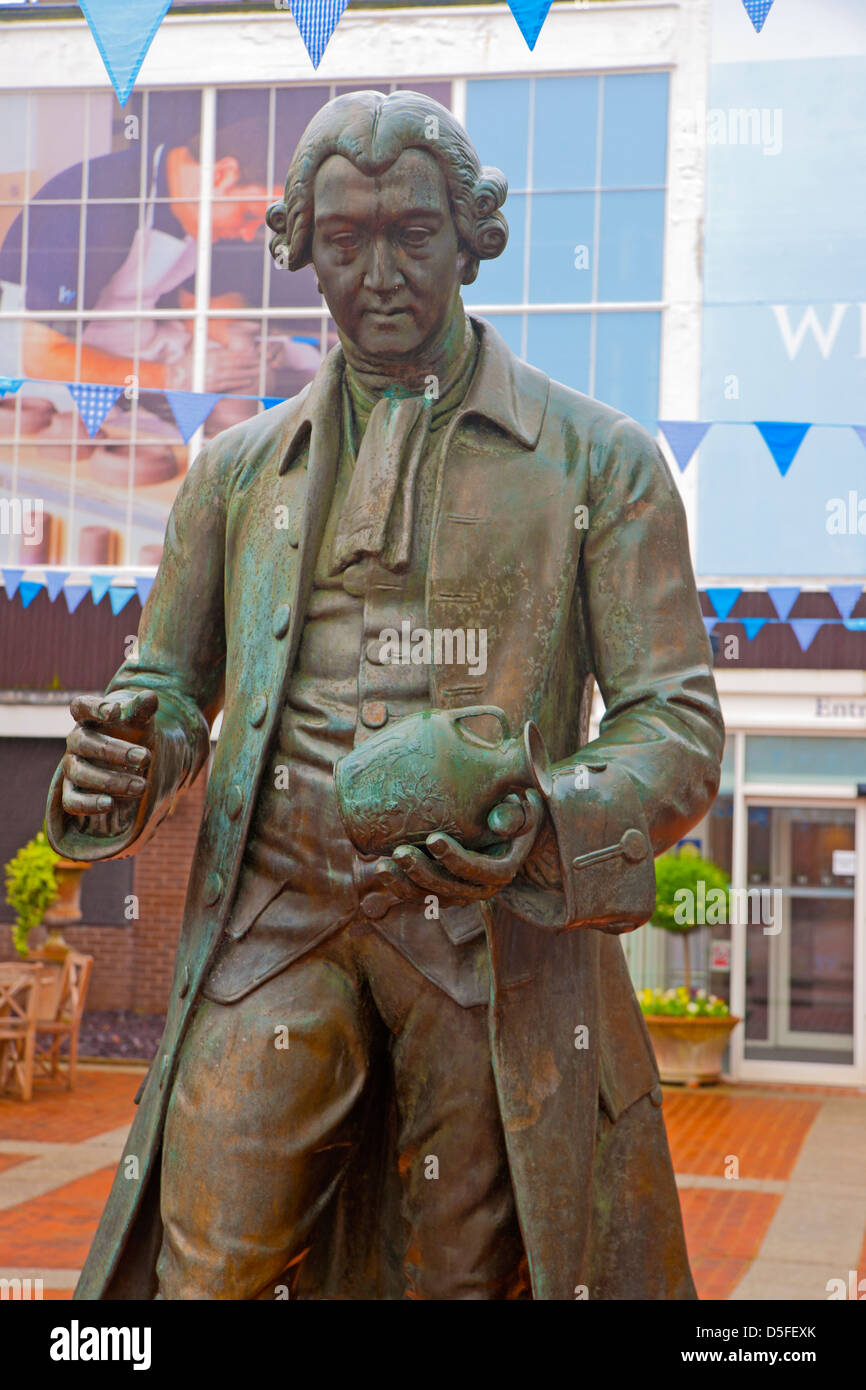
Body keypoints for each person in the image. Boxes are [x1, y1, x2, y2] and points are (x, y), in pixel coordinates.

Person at [46, 90, 724, 1301]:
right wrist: (128, 754)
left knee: (449, 1277)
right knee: (207, 1267)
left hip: (482, 943)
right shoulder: (233, 473)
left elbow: (671, 722)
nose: (380, 273)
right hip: (274, 924)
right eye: (346, 241)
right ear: (303, 247)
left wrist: (544, 816)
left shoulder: (600, 463)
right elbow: (165, 682)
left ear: (471, 237)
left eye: (412, 233)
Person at [0, 118, 282, 395]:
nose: (248, 234)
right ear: (222, 175)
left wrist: (248, 344)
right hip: (39, 379)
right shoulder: (98, 204)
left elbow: (203, 304)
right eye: (248, 216)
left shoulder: (201, 209)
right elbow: (41, 358)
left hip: (138, 348)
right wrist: (173, 377)